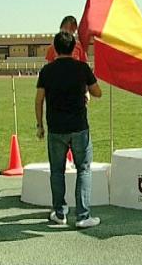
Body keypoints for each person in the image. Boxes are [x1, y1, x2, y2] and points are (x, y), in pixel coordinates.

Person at [35, 31, 102, 228]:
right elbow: (98, 92)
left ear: (55, 49)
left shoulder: (47, 71)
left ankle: (59, 213)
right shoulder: (82, 68)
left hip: (56, 128)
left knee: (57, 171)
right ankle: (82, 215)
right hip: (79, 128)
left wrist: (40, 125)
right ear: (74, 48)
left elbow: (38, 100)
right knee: (83, 168)